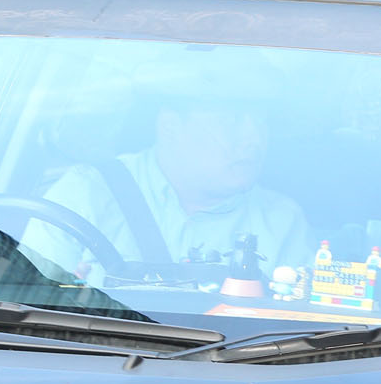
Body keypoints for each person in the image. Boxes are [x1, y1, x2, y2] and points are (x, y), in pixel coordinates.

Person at [22, 58, 309, 286]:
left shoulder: (282, 221)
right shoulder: (86, 193)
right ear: (171, 126)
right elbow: (30, 302)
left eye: (261, 122)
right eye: (230, 121)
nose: (254, 139)